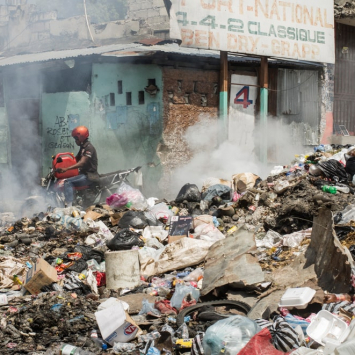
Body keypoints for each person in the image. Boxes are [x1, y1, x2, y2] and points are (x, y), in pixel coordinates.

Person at [56, 126, 98, 207]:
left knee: (67, 182)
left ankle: (69, 206)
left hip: (89, 176)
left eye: (76, 138)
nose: (75, 140)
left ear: (82, 137)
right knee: (68, 179)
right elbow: (75, 159)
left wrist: (66, 169)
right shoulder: (83, 147)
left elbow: (82, 163)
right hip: (84, 174)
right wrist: (62, 163)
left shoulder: (89, 148)